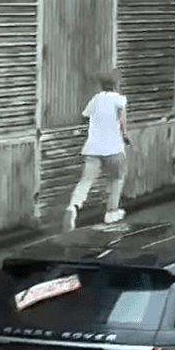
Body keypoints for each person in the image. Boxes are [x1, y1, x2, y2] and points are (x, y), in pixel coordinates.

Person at [64, 73, 131, 231]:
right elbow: (122, 121)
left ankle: (73, 207)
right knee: (116, 179)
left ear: (101, 86)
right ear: (116, 84)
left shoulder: (96, 99)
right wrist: (125, 136)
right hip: (113, 148)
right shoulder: (120, 99)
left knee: (86, 180)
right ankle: (111, 212)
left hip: (93, 148)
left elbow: (85, 117)